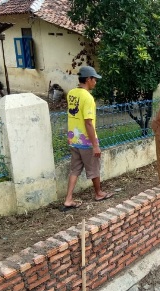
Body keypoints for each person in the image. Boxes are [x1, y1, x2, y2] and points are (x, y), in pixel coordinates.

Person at [62, 66, 113, 211]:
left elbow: (73, 115)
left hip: (74, 139)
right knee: (94, 168)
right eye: (94, 79)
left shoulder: (71, 93)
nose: (95, 82)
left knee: (75, 169)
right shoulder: (88, 98)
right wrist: (95, 145)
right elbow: (88, 122)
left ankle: (68, 199)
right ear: (88, 79)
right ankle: (98, 193)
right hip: (86, 141)